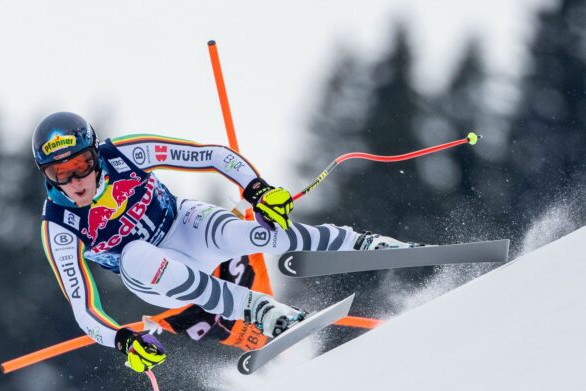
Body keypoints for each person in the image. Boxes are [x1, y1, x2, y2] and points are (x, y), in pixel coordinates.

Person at [33, 112, 420, 373]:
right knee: (134, 254)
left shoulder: (123, 154)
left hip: (183, 224)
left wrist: (258, 190)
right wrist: (123, 341)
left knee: (250, 233)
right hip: (154, 277)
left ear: (94, 154)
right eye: (59, 173)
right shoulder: (59, 225)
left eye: (80, 165)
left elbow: (211, 156)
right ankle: (262, 312)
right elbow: (82, 306)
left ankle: (366, 245)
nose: (74, 182)